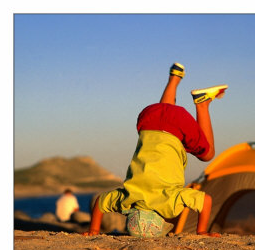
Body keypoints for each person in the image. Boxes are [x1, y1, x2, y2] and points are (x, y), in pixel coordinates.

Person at [83, 63, 228, 237]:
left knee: (208, 154)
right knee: (164, 113)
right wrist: (94, 230)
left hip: (178, 123)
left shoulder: (169, 204)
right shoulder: (126, 200)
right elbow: (99, 202)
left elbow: (206, 200)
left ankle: (202, 103)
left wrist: (202, 230)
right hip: (149, 117)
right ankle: (174, 78)